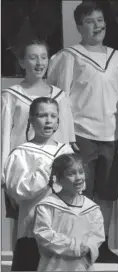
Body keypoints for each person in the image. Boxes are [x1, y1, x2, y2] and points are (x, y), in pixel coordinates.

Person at [47, 1, 118, 263]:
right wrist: (65, 138)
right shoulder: (67, 57)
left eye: (99, 20)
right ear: (78, 27)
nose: (97, 26)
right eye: (89, 21)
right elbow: (58, 99)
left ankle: (100, 245)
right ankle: (76, 246)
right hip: (80, 135)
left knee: (105, 196)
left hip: (111, 136)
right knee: (78, 191)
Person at [1, 39, 75, 249]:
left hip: (53, 167)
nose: (39, 63)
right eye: (33, 58)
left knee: (55, 219)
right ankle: (21, 262)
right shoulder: (11, 96)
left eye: (43, 57)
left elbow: (66, 136)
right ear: (22, 62)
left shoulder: (59, 96)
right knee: (22, 219)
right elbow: (4, 134)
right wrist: (4, 172)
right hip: (23, 167)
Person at [2, 97, 74, 271]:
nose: (48, 120)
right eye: (42, 115)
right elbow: (18, 190)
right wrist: (47, 170)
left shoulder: (66, 151)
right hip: (32, 231)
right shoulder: (21, 153)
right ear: (32, 120)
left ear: (58, 121)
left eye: (53, 116)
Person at [33, 153, 105, 271]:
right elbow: (44, 233)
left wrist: (87, 247)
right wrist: (73, 247)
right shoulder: (48, 206)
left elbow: (97, 236)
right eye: (71, 174)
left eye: (81, 172)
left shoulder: (92, 209)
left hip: (81, 267)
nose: (78, 178)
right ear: (59, 178)